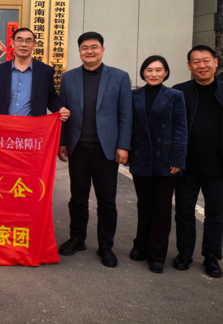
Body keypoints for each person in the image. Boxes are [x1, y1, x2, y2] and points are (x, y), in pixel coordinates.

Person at [57, 31, 133, 268]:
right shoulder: (68, 78)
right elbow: (62, 113)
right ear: (79, 51)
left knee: (106, 201)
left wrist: (123, 145)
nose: (89, 51)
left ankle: (105, 245)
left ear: (102, 50)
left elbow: (126, 114)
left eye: (94, 47)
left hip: (106, 150)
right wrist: (62, 142)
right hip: (78, 148)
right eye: (84, 48)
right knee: (78, 198)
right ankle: (77, 238)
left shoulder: (119, 77)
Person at [172, 45, 223, 278]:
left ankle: (211, 256)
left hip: (219, 166)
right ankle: (185, 253)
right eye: (196, 62)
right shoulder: (179, 91)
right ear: (189, 66)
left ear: (216, 63)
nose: (201, 65)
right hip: (186, 165)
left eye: (206, 60)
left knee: (215, 214)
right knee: (184, 211)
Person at [128, 56, 188, 274]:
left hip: (166, 160)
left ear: (166, 73)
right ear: (143, 72)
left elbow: (181, 128)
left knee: (162, 209)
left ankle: (157, 254)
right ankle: (140, 246)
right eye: (149, 70)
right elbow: (128, 125)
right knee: (144, 205)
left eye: (158, 70)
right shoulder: (134, 95)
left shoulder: (175, 95)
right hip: (141, 157)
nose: (153, 74)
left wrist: (178, 159)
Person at [0, 27, 70, 121]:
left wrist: (60, 109)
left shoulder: (45, 71)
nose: (24, 44)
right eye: (19, 40)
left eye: (28, 41)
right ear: (12, 43)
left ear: (34, 45)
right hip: (5, 125)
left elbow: (51, 99)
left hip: (33, 126)